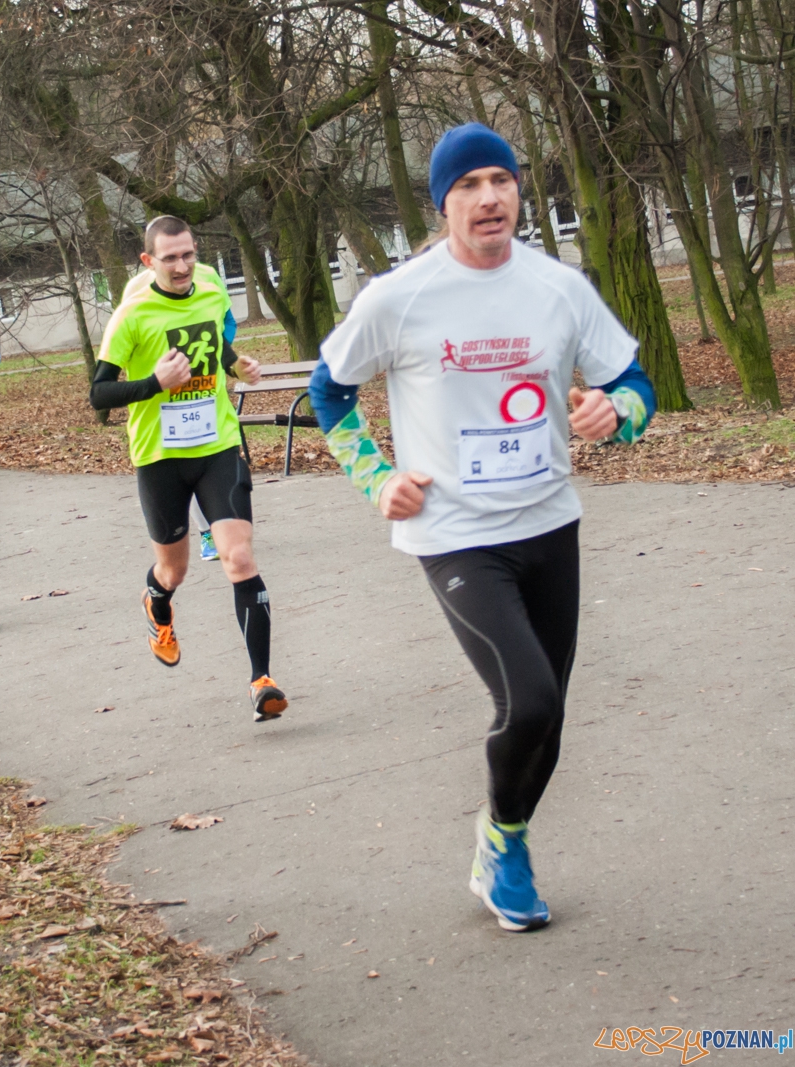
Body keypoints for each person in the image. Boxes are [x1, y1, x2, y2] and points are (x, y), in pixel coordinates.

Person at [310, 123, 658, 933]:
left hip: (549, 522)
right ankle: (505, 845)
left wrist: (619, 411)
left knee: (550, 716)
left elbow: (632, 380)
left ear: (518, 193)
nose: (488, 196)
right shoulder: (399, 297)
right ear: (443, 206)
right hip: (455, 532)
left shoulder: (558, 288)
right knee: (529, 699)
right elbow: (329, 391)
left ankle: (504, 837)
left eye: (500, 179)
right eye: (467, 185)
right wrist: (375, 476)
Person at [89, 216, 286, 721]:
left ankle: (262, 681)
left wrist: (237, 364)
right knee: (173, 569)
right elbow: (99, 396)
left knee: (238, 558)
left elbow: (212, 345)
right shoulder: (131, 317)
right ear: (148, 261)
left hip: (217, 443)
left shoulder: (212, 291)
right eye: (171, 258)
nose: (182, 266)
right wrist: (154, 383)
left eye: (189, 255)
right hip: (160, 457)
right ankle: (157, 600)